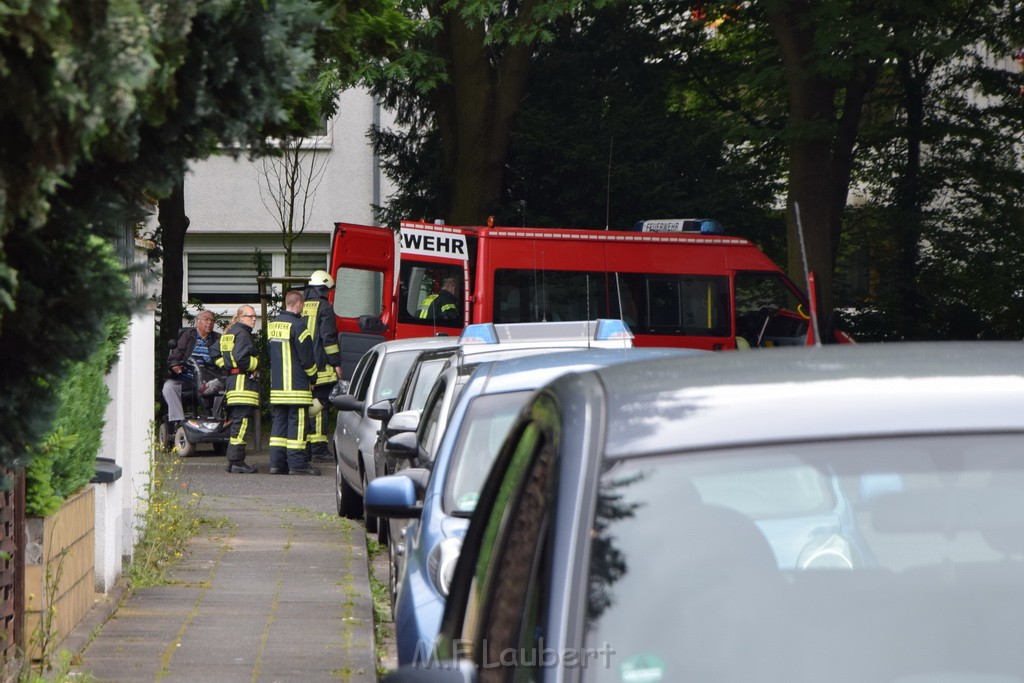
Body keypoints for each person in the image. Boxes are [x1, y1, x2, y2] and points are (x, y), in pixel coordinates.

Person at [268, 290, 320, 475]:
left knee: (279, 425)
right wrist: (313, 378)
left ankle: (276, 464)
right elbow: (307, 358)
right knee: (297, 425)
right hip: (297, 387)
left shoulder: (273, 325)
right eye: (303, 305)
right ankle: (297, 465)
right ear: (298, 304)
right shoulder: (299, 326)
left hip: (278, 387)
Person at [302, 270, 342, 462]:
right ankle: (318, 447)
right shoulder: (324, 307)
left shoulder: (301, 305)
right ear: (323, 289)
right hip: (321, 365)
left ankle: (307, 445)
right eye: (328, 290)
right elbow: (328, 338)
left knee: (307, 404)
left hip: (303, 365)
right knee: (321, 404)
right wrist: (336, 363)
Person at [216, 305, 260, 473]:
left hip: (232, 382)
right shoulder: (243, 334)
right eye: (250, 316)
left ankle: (233, 461)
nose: (254, 319)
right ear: (241, 317)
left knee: (236, 422)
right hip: (243, 384)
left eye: (255, 316)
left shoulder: (229, 333)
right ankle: (237, 462)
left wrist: (226, 366)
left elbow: (214, 353)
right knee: (241, 424)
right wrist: (257, 364)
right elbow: (242, 359)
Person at [162, 310, 220, 436]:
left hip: (207, 377)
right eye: (206, 319)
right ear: (197, 322)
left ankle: (216, 421)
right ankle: (177, 422)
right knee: (169, 386)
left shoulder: (217, 338)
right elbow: (175, 355)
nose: (209, 322)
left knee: (220, 387)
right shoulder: (188, 335)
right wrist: (175, 364)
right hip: (187, 377)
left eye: (212, 320)